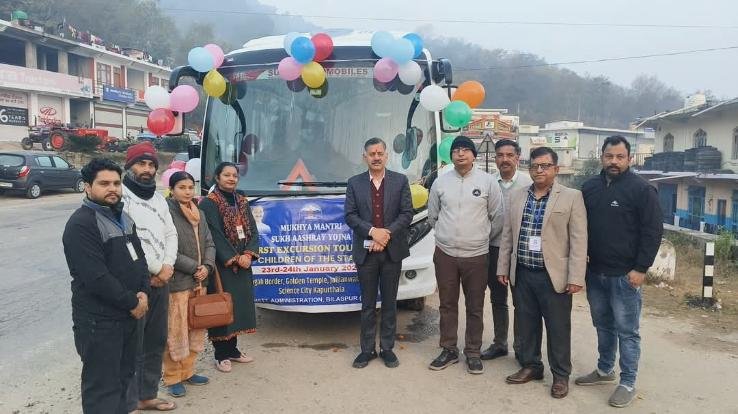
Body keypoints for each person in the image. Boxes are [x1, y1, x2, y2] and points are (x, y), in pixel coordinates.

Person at [577, 135, 663, 408]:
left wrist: (641, 269)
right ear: (602, 157)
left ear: (629, 158)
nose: (614, 162)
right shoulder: (589, 188)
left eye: (619, 157)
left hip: (626, 276)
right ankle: (604, 370)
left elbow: (653, 232)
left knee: (627, 331)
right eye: (609, 156)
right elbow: (580, 228)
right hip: (595, 272)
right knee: (603, 325)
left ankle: (627, 382)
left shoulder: (642, 190)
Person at [497, 146, 587, 399]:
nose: (539, 170)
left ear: (556, 170)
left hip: (554, 276)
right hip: (523, 272)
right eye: (535, 166)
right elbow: (507, 236)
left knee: (558, 328)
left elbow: (579, 240)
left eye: (545, 166)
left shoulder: (571, 197)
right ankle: (532, 366)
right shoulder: (517, 196)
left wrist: (575, 277)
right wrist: (503, 267)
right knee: (526, 324)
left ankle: (560, 375)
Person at [62, 158, 149, 413]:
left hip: (129, 316)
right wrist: (133, 302)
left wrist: (143, 290)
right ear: (88, 187)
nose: (112, 188)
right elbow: (95, 277)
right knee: (102, 387)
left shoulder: (124, 217)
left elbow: (140, 260)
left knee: (124, 378)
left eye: (116, 183)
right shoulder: (81, 224)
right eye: (104, 183)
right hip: (99, 322)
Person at [427, 136, 503, 374]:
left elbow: (497, 217)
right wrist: (446, 236)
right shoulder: (440, 182)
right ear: (451, 156)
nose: (460, 154)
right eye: (456, 150)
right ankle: (449, 349)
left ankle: (472, 351)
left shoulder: (488, 182)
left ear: (474, 155)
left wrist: (480, 238)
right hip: (446, 254)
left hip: (477, 255)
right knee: (447, 304)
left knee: (475, 305)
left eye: (465, 150)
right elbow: (433, 216)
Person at [344, 137, 414, 369]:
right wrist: (373, 232)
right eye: (371, 153)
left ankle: (387, 348)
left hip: (392, 252)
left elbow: (406, 214)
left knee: (390, 303)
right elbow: (350, 216)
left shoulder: (400, 181)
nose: (376, 157)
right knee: (367, 303)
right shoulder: (354, 183)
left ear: (386, 156)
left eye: (379, 153)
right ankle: (366, 350)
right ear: (365, 157)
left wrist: (385, 235)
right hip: (366, 254)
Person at [122, 141, 179, 412]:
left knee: (155, 340)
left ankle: (147, 395)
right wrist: (154, 271)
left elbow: (170, 234)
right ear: (129, 166)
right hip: (135, 283)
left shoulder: (159, 198)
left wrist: (167, 266)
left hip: (161, 280)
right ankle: (128, 399)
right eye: (140, 164)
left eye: (151, 165)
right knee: (131, 343)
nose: (146, 169)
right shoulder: (119, 195)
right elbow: (129, 242)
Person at [199, 162, 260, 373]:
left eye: (234, 175)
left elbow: (252, 230)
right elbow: (214, 234)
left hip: (244, 263)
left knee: (237, 309)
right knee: (221, 308)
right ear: (217, 178)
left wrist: (248, 254)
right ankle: (220, 354)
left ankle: (233, 350)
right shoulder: (209, 203)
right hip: (222, 265)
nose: (231, 179)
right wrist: (234, 257)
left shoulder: (241, 201)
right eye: (226, 175)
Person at [163, 171, 216, 397]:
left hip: (200, 282)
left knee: (196, 327)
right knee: (175, 331)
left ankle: (188, 371)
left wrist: (207, 266)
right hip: (178, 282)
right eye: (182, 187)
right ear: (172, 190)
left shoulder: (200, 212)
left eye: (190, 187)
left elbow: (209, 242)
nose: (187, 192)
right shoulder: (166, 212)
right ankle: (172, 377)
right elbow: (168, 250)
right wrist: (194, 267)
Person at [482, 139, 533, 363]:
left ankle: (521, 346)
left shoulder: (528, 183)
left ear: (517, 157)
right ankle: (499, 343)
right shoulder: (488, 182)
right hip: (493, 249)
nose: (504, 159)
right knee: (497, 299)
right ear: (495, 158)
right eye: (500, 155)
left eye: (509, 155)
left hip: (519, 251)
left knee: (521, 300)